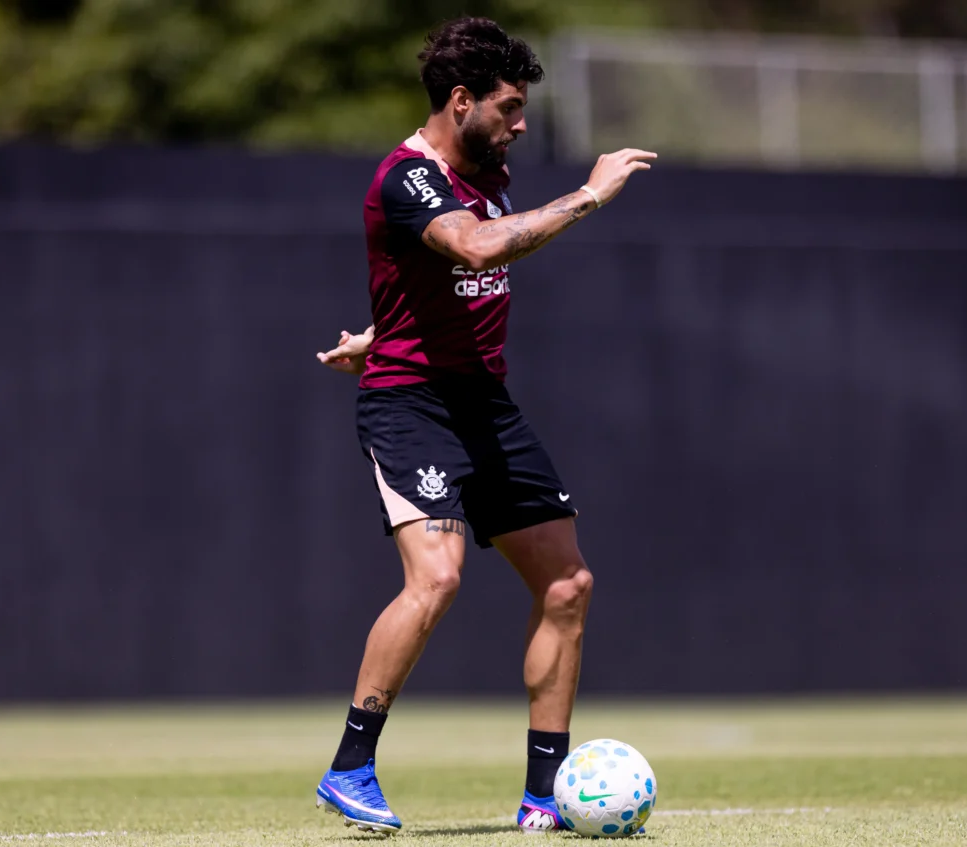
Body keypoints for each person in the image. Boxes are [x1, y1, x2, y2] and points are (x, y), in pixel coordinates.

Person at [313, 16, 655, 835]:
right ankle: (350, 766)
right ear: (461, 100)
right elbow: (473, 251)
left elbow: (426, 281)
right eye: (509, 106)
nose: (521, 124)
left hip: (484, 406)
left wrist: (379, 331)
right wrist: (587, 195)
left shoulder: (489, 170)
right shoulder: (407, 176)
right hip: (411, 405)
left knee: (568, 584)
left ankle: (544, 798)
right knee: (438, 576)